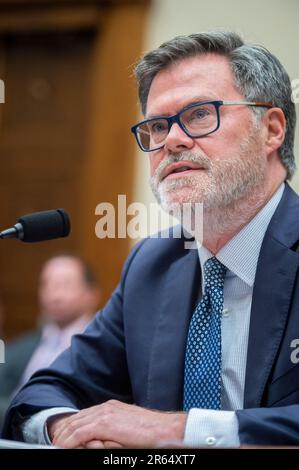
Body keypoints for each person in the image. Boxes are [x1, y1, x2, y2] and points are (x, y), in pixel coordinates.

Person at [2, 30, 299, 448]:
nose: (172, 141)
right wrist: (67, 428)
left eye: (200, 114)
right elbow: (44, 391)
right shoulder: (152, 264)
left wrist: (180, 432)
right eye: (157, 126)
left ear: (271, 130)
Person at [0, 254, 100, 430]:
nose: (54, 294)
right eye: (47, 284)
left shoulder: (103, 347)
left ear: (91, 294)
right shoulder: (20, 347)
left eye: (64, 285)